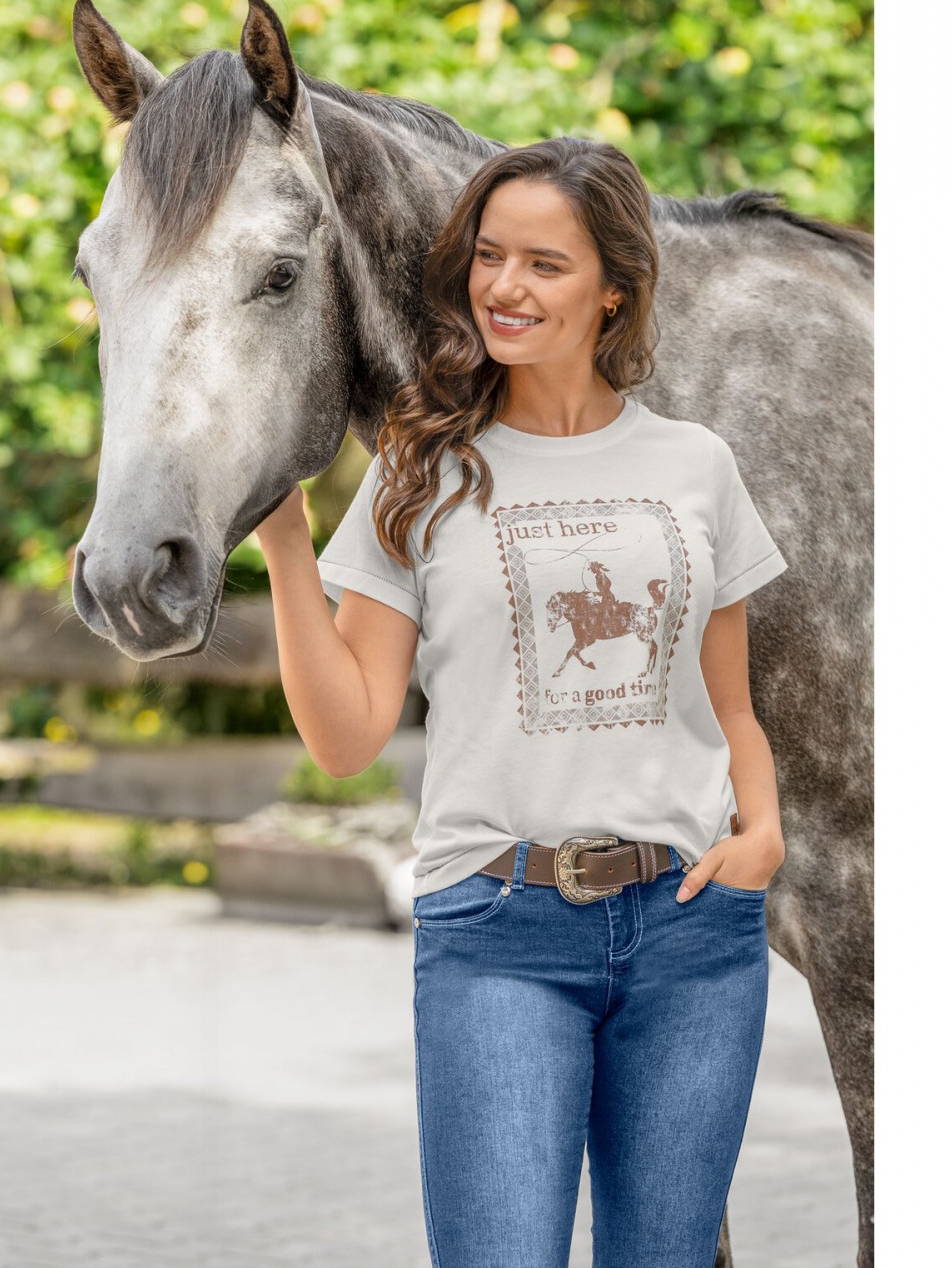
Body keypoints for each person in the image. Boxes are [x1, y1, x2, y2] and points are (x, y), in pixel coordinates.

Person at [255, 137, 789, 1268]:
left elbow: (731, 704)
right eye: (489, 256)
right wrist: (287, 544)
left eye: (545, 264)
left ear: (615, 289)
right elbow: (347, 737)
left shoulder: (696, 464)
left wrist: (764, 837)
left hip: (693, 931)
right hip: (499, 929)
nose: (505, 287)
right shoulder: (422, 472)